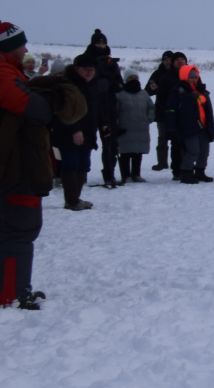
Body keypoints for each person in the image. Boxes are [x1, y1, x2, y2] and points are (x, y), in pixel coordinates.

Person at [1, 22, 86, 309]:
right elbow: (36, 110)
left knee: (16, 231)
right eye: (20, 45)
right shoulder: (3, 76)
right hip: (16, 170)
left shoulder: (12, 75)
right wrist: (48, 93)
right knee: (18, 231)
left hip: (18, 168)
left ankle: (13, 289)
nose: (26, 50)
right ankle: (10, 295)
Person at [53, 53, 100, 209]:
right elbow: (64, 111)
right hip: (70, 133)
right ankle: (71, 200)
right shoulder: (68, 86)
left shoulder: (90, 86)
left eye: (92, 69)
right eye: (85, 69)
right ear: (76, 69)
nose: (89, 72)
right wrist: (75, 130)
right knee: (71, 165)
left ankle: (76, 198)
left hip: (87, 133)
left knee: (83, 165)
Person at [83, 31, 124, 188]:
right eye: (98, 43)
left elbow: (118, 82)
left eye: (103, 43)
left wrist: (116, 85)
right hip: (90, 106)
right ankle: (80, 174)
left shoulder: (111, 62)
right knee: (86, 141)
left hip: (108, 106)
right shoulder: (86, 60)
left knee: (110, 143)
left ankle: (109, 174)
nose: (101, 45)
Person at [169, 62, 214, 183]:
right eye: (191, 77)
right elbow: (171, 110)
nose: (194, 79)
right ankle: (186, 173)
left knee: (204, 151)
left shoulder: (202, 91)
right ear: (184, 76)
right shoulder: (178, 91)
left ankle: (200, 172)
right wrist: (172, 128)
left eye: (196, 77)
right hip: (188, 126)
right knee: (193, 151)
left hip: (204, 126)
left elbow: (208, 110)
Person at [114, 72, 154, 183]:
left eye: (135, 77)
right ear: (126, 80)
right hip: (125, 128)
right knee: (125, 154)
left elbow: (151, 108)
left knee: (138, 153)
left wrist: (149, 118)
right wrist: (116, 124)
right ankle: (125, 175)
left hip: (141, 128)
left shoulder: (144, 94)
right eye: (131, 77)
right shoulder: (120, 94)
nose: (133, 79)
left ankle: (136, 174)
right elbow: (114, 112)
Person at [146, 52, 181, 176]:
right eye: (165, 59)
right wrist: (153, 88)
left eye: (169, 59)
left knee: (176, 138)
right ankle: (162, 162)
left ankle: (176, 163)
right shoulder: (157, 73)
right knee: (162, 137)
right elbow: (148, 91)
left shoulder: (178, 73)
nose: (167, 62)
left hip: (176, 110)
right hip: (161, 110)